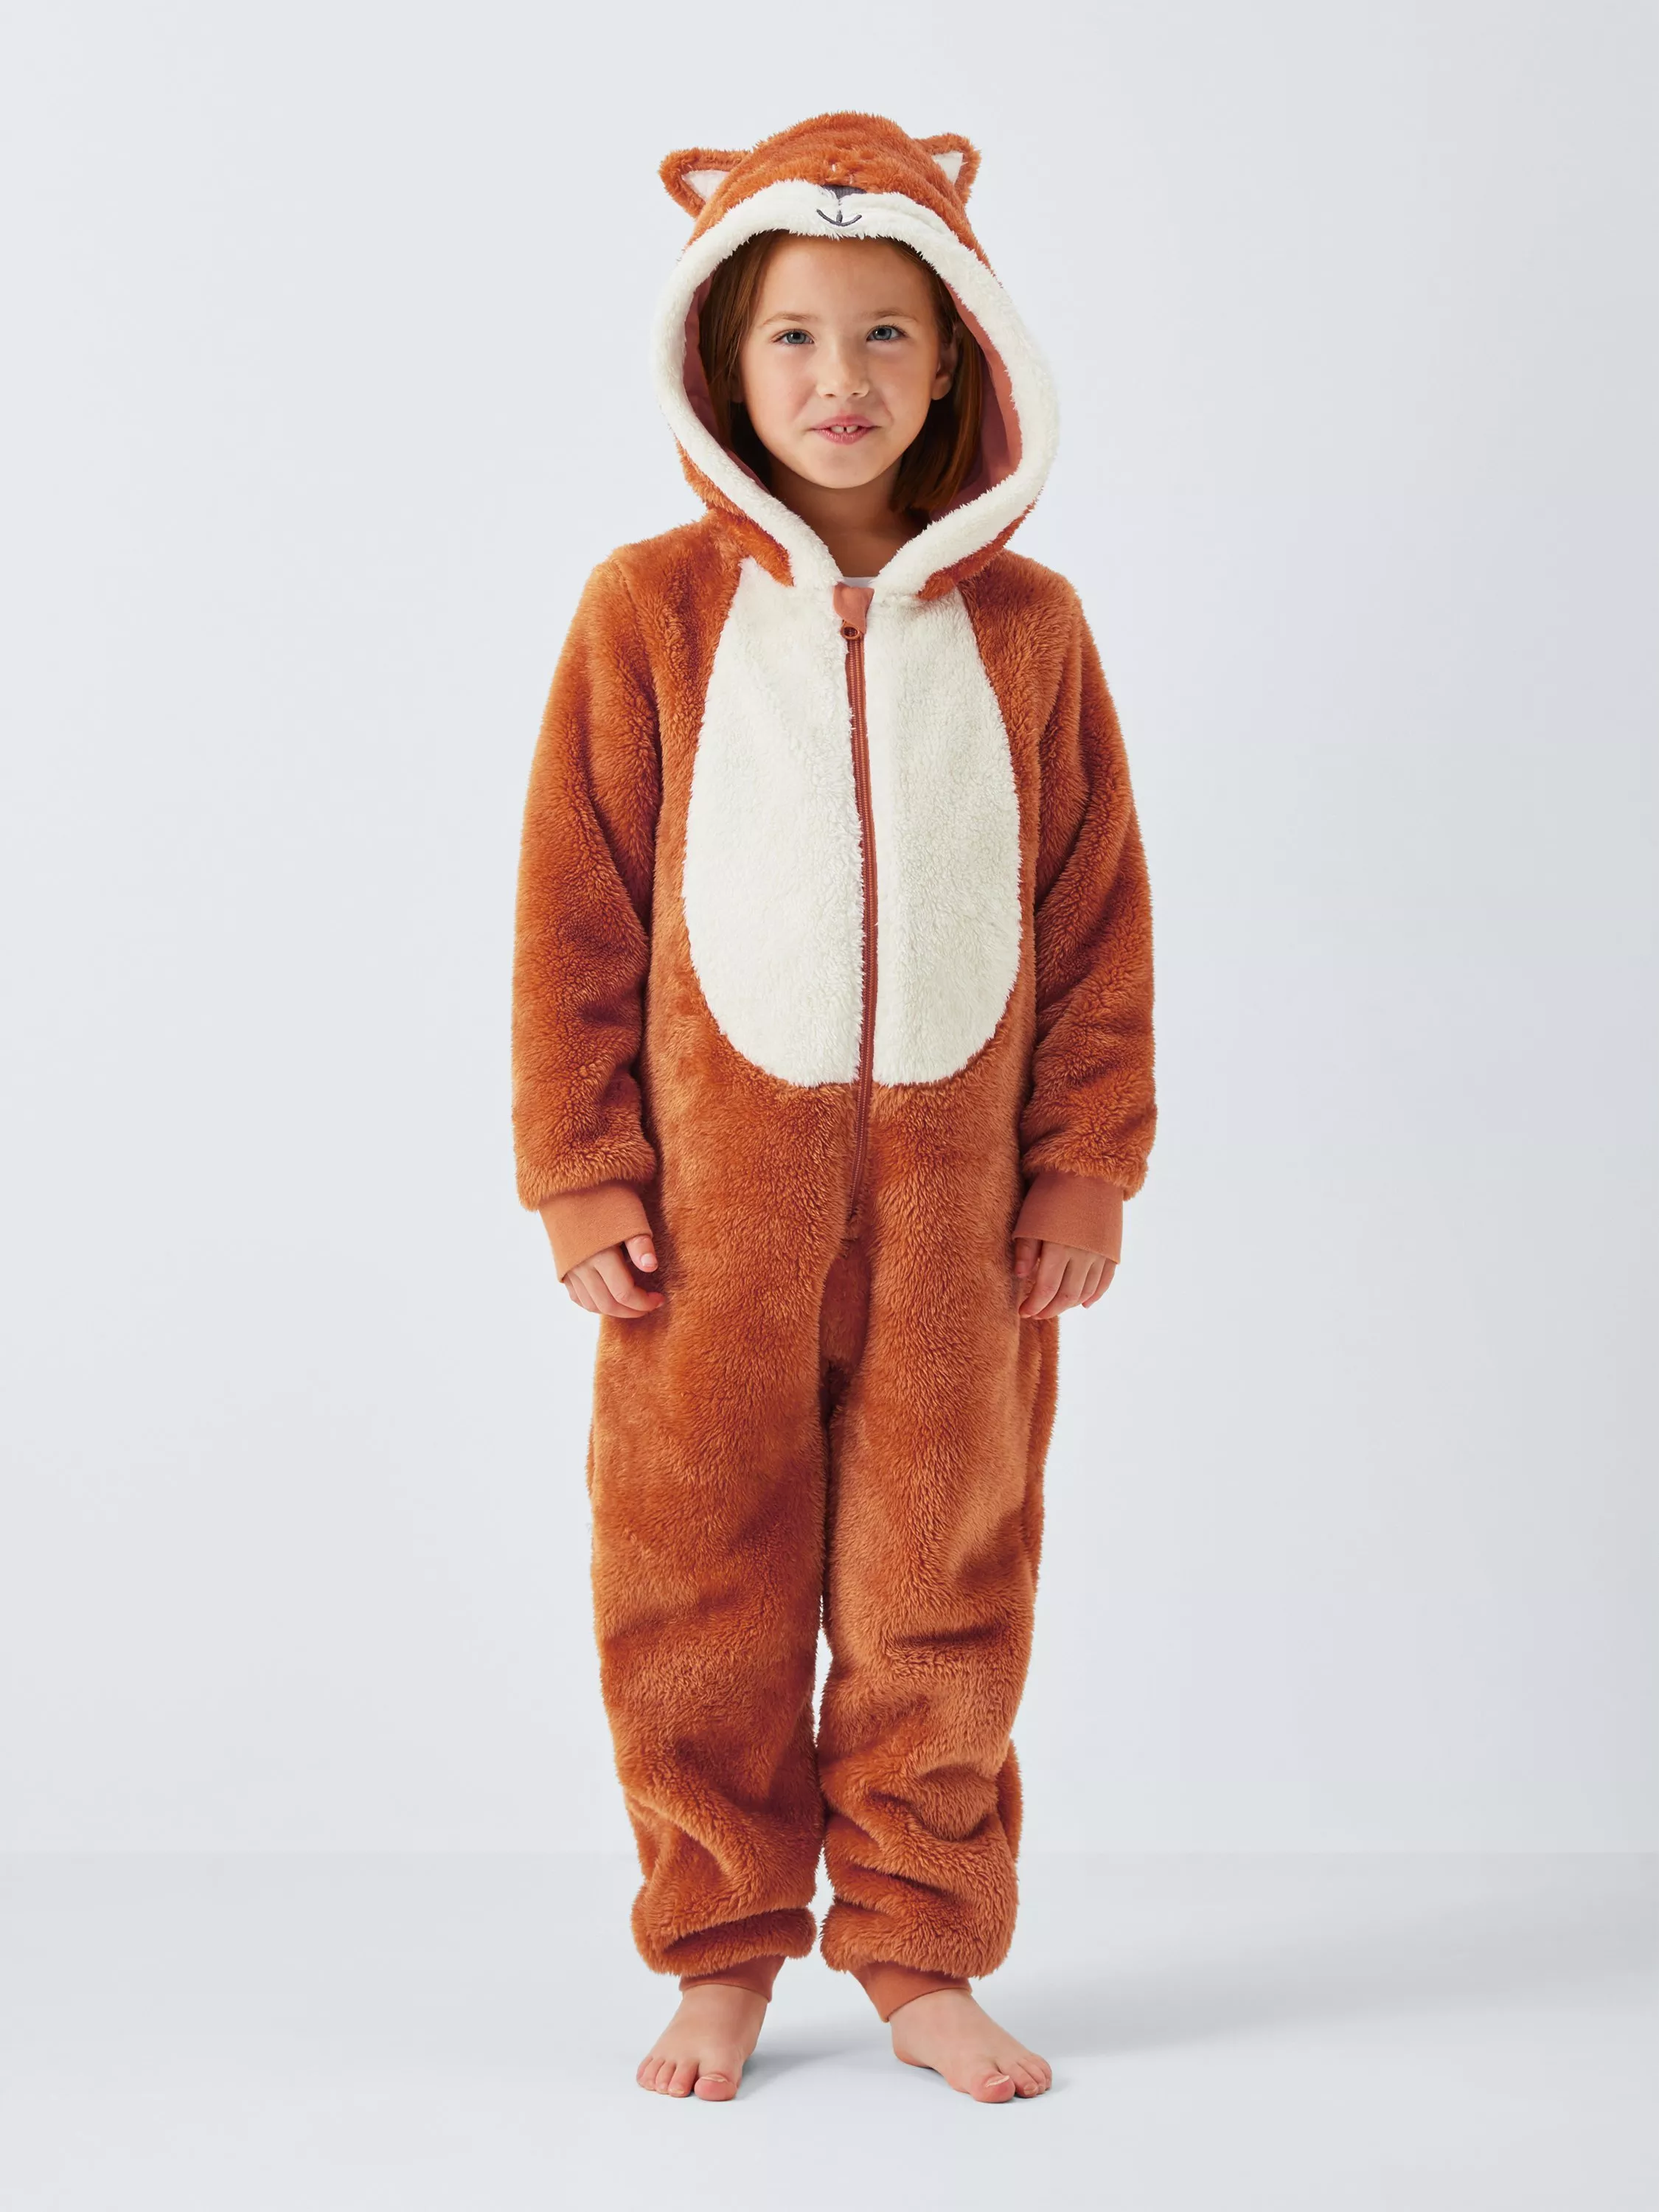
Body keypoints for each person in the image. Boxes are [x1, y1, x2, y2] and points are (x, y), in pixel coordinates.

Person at [510, 111, 1156, 2104]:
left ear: (959, 357)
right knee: (694, 1577)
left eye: (887, 334)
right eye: (794, 335)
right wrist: (581, 1169)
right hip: (706, 1230)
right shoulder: (650, 613)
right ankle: (717, 1952)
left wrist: (1084, 1166)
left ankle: (919, 1951)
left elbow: (1097, 913)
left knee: (942, 1583)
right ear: (725, 359)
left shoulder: (1032, 634)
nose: (840, 377)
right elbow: (576, 908)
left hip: (966, 1233)